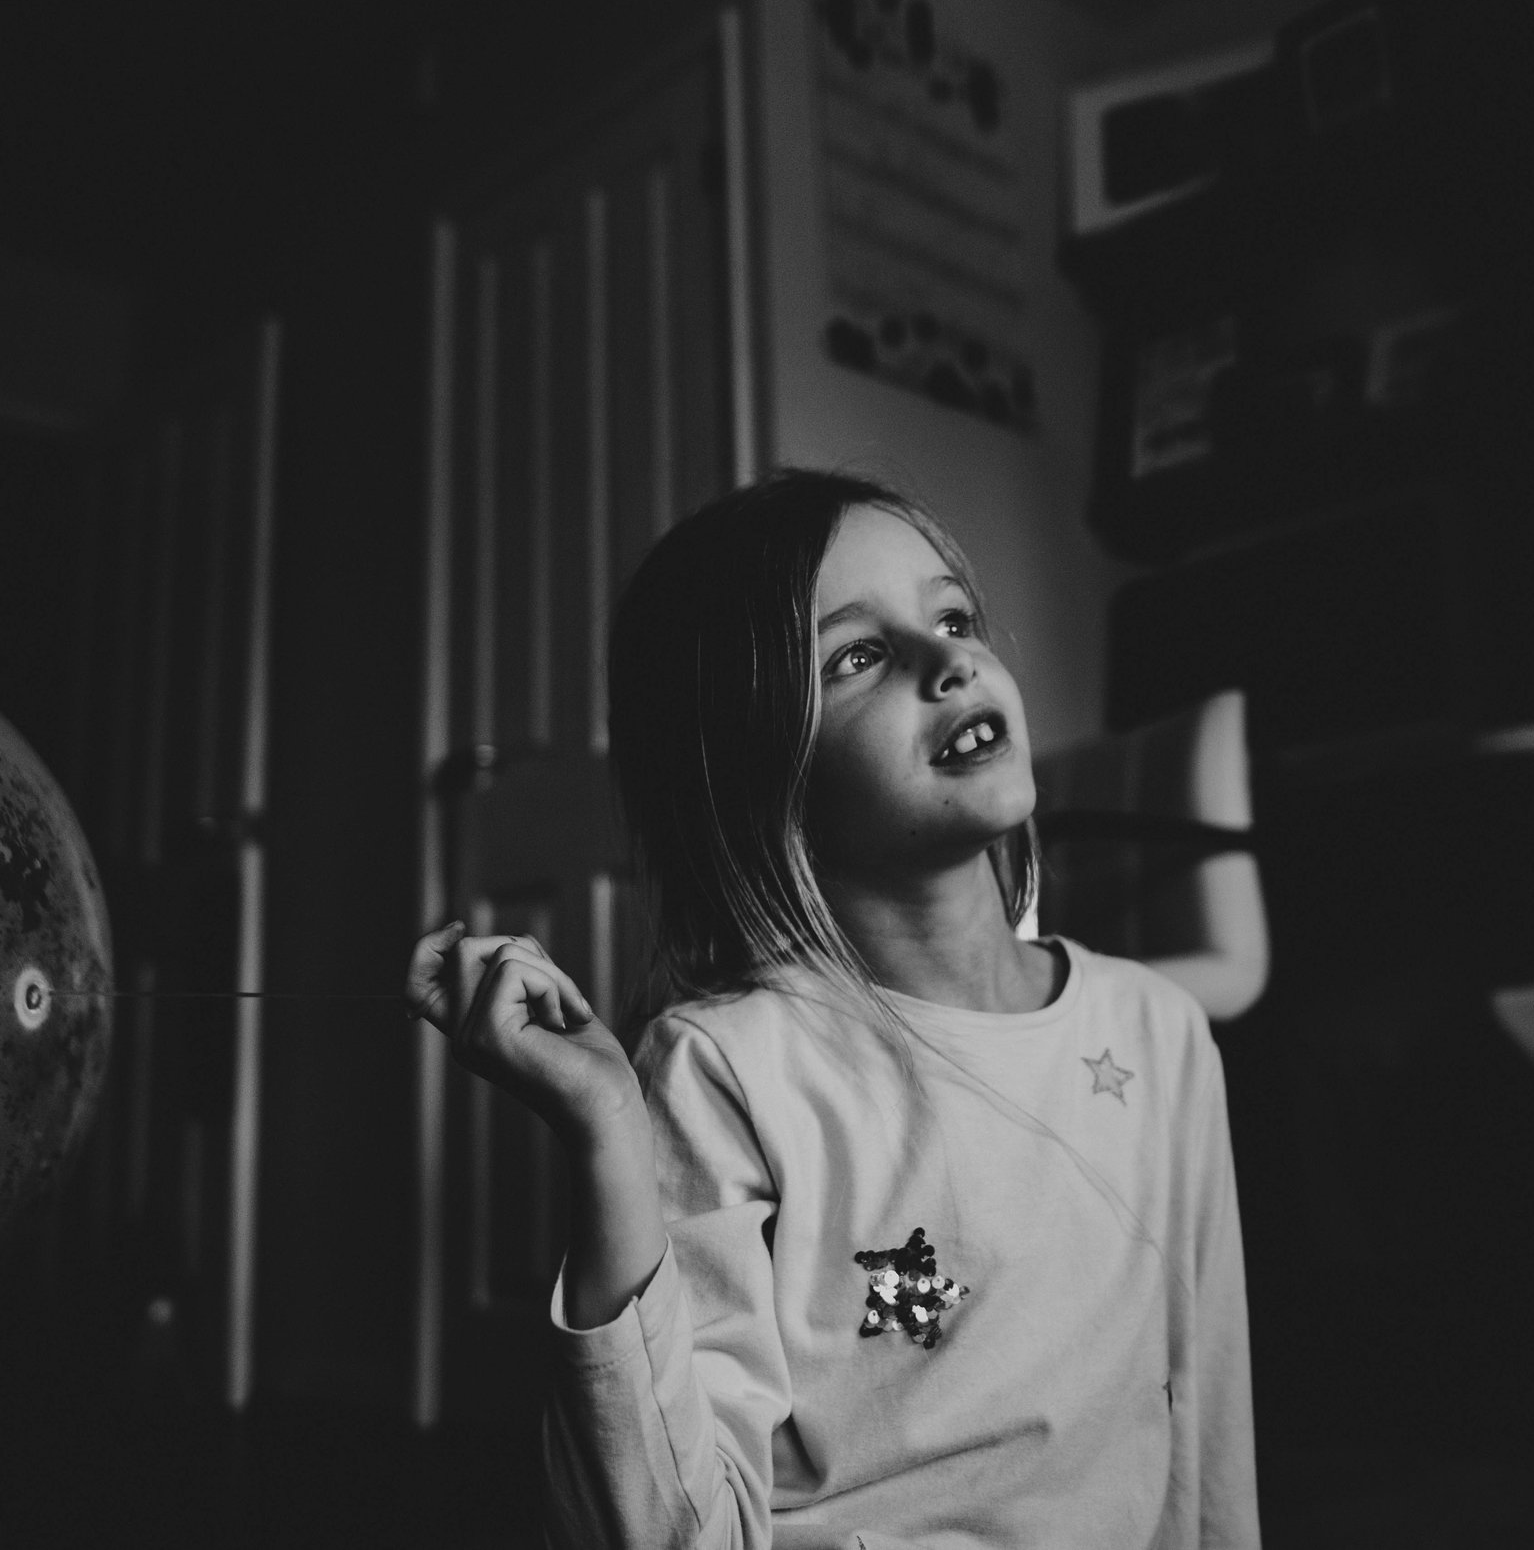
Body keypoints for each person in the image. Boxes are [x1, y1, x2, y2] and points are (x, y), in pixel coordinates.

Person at [405, 470, 1256, 1549]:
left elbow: (1209, 1425)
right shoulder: (725, 1067)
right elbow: (678, 1534)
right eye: (858, 655)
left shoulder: (1159, 1032)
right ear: (760, 780)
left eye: (951, 617)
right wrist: (610, 1140)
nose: (947, 659)